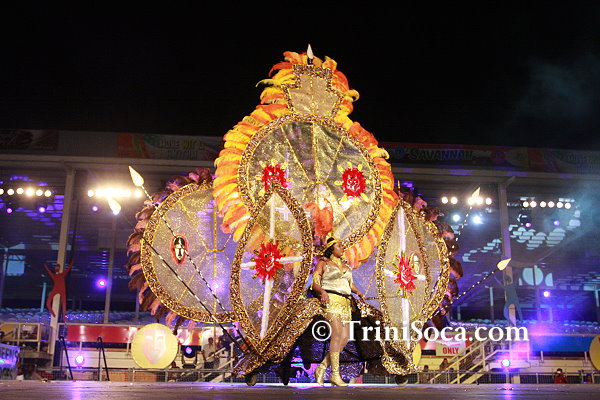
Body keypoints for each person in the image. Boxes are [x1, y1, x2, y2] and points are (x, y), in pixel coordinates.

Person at [311, 236, 365, 387]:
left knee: (345, 338)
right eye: (339, 246)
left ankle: (322, 368)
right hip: (331, 300)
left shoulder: (346, 266)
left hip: (345, 303)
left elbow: (350, 284)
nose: (343, 248)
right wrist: (322, 292)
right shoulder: (323, 263)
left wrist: (358, 292)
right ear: (331, 249)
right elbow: (315, 283)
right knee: (336, 334)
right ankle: (335, 374)